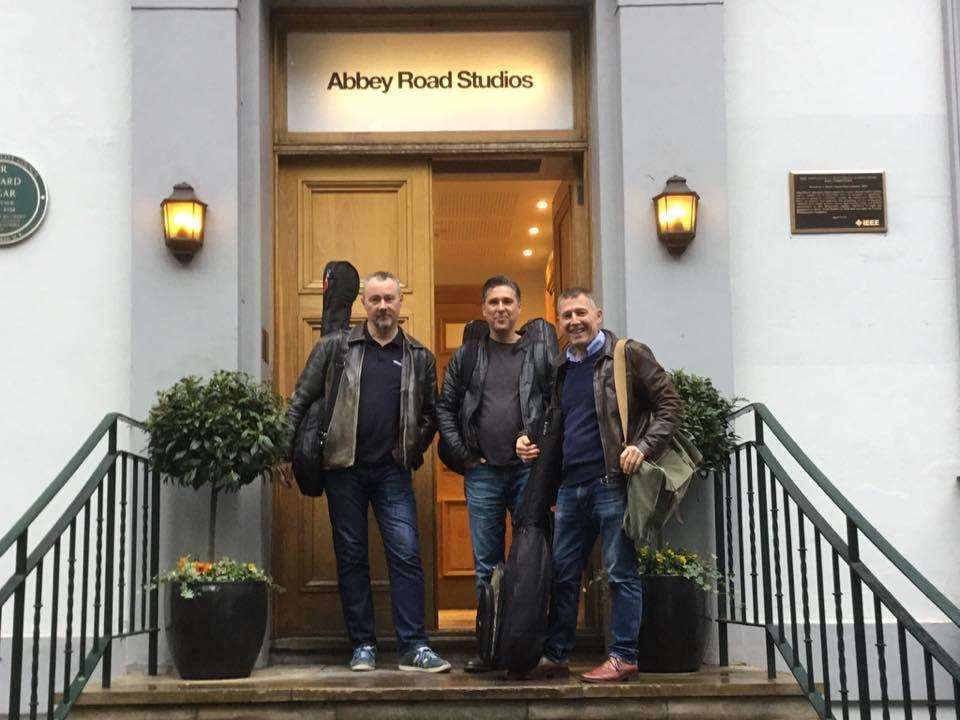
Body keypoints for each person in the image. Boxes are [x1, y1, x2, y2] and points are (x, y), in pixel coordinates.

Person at [285, 271, 451, 673]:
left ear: (400, 303)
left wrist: (410, 450)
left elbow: (431, 413)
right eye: (374, 299)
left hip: (392, 473)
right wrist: (283, 451)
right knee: (352, 558)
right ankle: (362, 645)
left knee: (407, 556)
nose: (382, 306)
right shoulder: (334, 348)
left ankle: (414, 646)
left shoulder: (420, 356)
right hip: (343, 470)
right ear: (363, 304)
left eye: (389, 299)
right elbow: (300, 399)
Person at [516, 287, 682, 683]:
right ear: (558, 322)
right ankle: (556, 654)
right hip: (570, 489)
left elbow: (671, 406)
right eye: (566, 315)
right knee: (562, 574)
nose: (574, 321)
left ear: (599, 315)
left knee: (620, 572)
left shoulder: (626, 355)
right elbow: (561, 426)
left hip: (612, 484)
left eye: (581, 313)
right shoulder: (562, 368)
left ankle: (623, 656)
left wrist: (643, 447)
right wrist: (530, 442)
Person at [436, 275, 558, 673]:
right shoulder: (467, 356)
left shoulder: (539, 355)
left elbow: (556, 408)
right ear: (484, 309)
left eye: (508, 301)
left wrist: (535, 440)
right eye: (493, 302)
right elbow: (445, 408)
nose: (501, 308)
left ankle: (525, 649)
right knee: (486, 565)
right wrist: (466, 457)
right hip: (483, 475)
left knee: (529, 562)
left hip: (528, 474)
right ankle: (489, 649)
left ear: (519, 308)